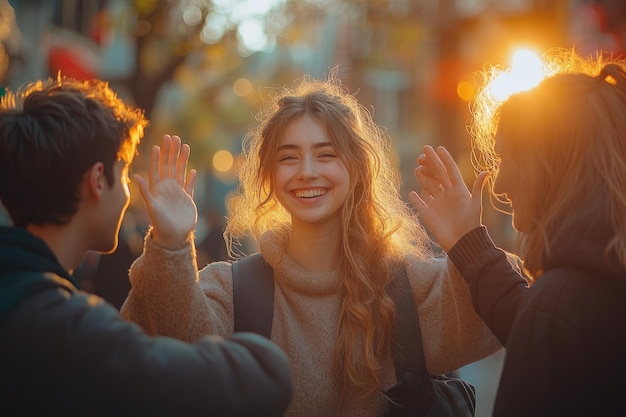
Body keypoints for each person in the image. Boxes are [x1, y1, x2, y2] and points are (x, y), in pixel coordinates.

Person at [121, 74, 501, 417]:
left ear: (357, 168)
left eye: (326, 154)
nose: (306, 171)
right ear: (269, 175)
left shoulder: (407, 285)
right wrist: (169, 244)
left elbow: (514, 315)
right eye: (289, 157)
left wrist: (468, 243)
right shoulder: (231, 290)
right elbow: (159, 350)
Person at [0, 76, 291, 416]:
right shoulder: (64, 330)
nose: (127, 193)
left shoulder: (22, 292)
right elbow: (265, 376)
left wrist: (169, 239)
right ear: (97, 181)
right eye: (123, 175)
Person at [409, 49, 626, 417]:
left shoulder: (560, 303)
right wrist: (468, 244)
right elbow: (546, 331)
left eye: (508, 158)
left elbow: (547, 323)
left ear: (552, 164)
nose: (501, 184)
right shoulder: (594, 287)